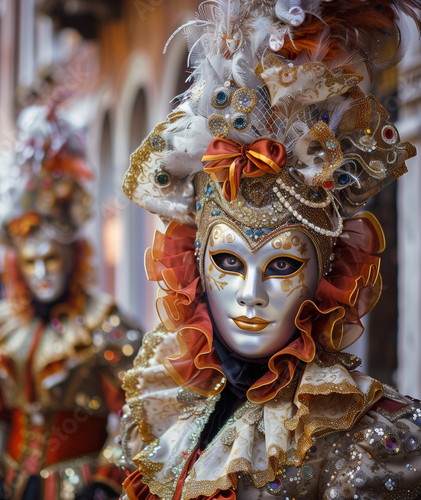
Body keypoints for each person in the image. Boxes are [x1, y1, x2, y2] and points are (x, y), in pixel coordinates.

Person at [118, 1, 421, 498]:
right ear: (192, 264)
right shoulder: (167, 402)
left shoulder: (372, 443)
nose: (249, 295)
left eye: (282, 264)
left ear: (330, 275)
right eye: (227, 262)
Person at [0, 105, 142, 500]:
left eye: (52, 259)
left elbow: (136, 412)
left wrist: (105, 478)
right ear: (17, 265)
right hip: (12, 487)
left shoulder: (103, 325)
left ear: (73, 259)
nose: (42, 272)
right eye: (31, 262)